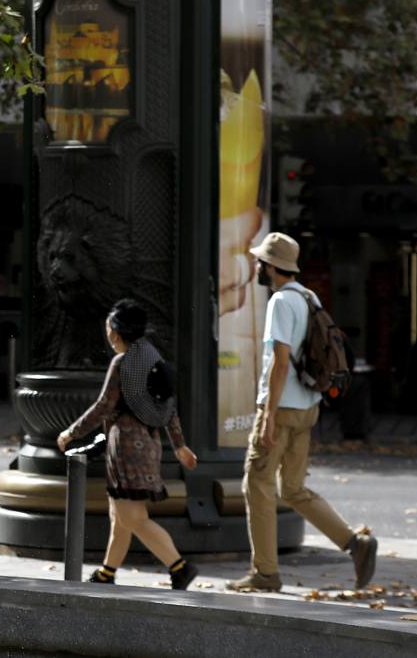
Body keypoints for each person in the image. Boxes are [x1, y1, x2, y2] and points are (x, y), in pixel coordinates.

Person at [228, 232, 377, 593]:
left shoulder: (280, 301)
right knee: (292, 488)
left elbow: (280, 363)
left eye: (260, 262)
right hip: (308, 407)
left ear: (271, 267)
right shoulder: (308, 296)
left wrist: (268, 415)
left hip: (281, 408)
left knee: (258, 484)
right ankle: (355, 543)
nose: (257, 267)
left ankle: (265, 573)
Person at [57, 300, 200, 590]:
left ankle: (180, 567)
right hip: (150, 443)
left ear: (115, 333)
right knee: (119, 515)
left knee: (132, 517)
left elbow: (102, 406)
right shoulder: (150, 357)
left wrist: (70, 433)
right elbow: (168, 407)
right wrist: (180, 445)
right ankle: (107, 573)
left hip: (125, 448)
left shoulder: (122, 363)